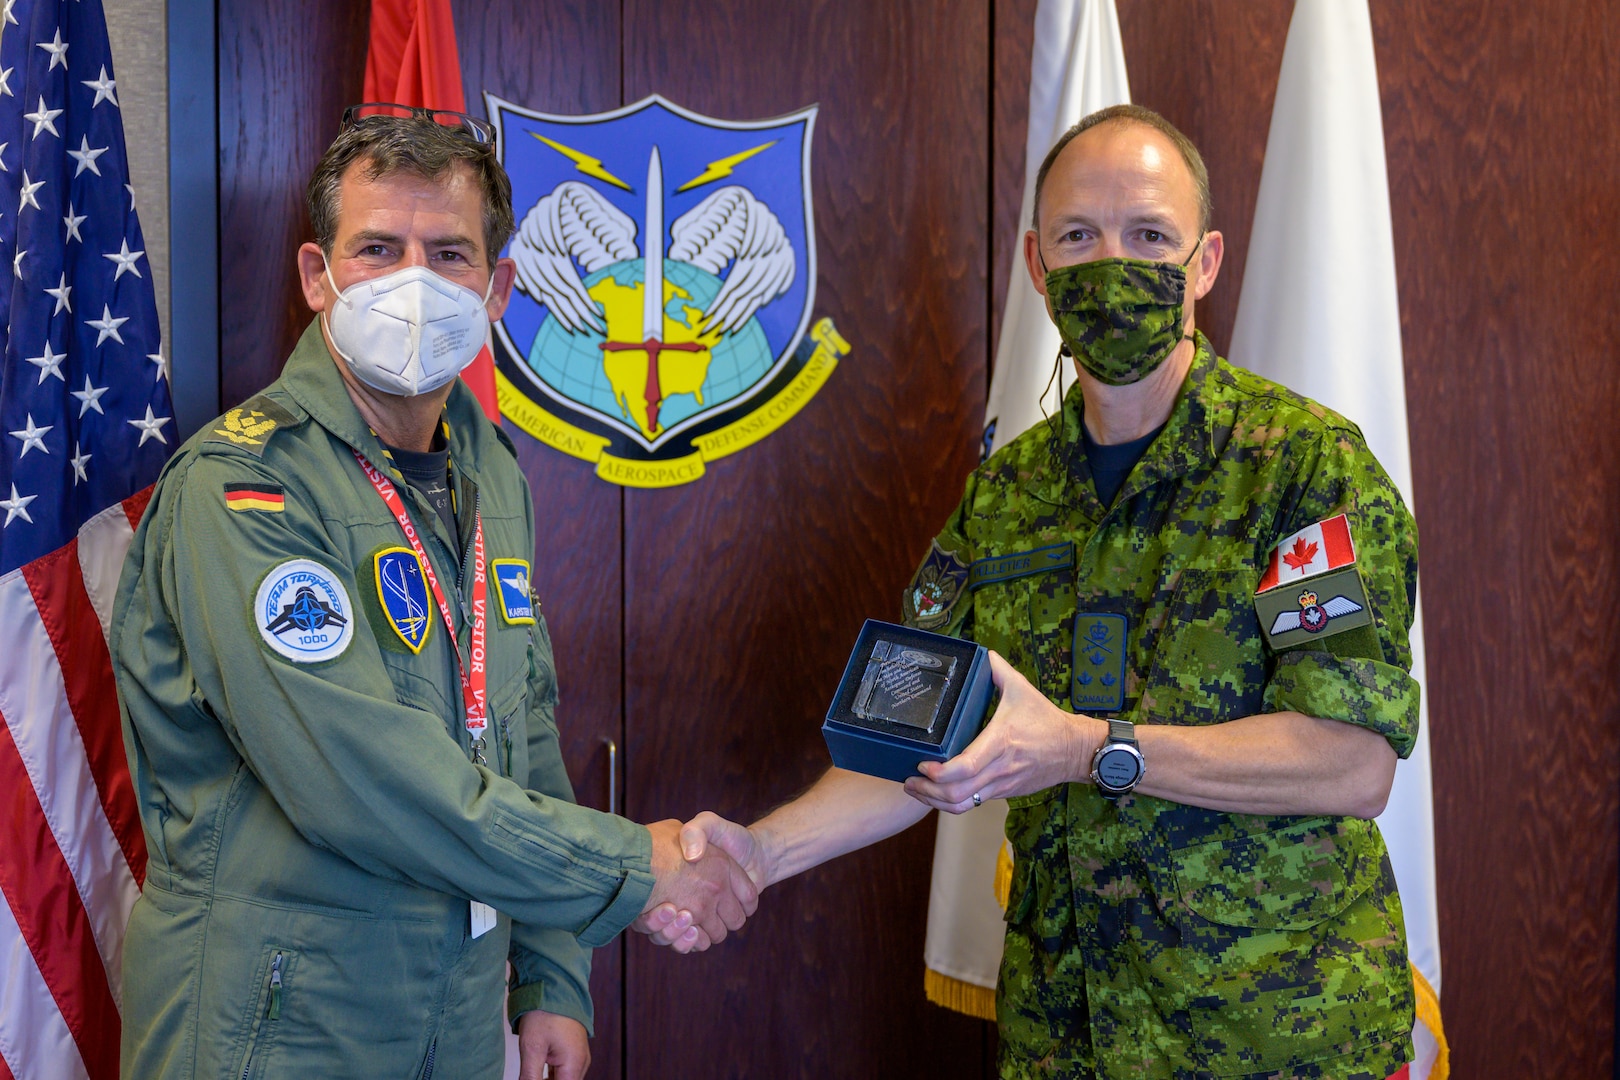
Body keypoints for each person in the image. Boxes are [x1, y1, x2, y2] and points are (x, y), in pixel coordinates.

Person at [663, 105, 1420, 1078]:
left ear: (1206, 262)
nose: (1112, 263)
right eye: (1079, 236)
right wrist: (758, 854)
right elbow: (906, 736)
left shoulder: (1305, 472)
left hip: (1277, 1043)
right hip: (1068, 1043)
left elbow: (1348, 762)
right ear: (1036, 264)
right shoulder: (1008, 497)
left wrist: (1084, 748)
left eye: (1148, 235)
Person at [110, 106, 755, 1080]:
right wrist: (636, 867)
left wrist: (550, 978)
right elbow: (364, 781)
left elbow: (522, 727)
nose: (413, 280)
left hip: (451, 1021)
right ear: (317, 278)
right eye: (376, 248)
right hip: (274, 1028)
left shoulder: (490, 470)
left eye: (448, 253)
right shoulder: (241, 491)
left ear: (496, 289)